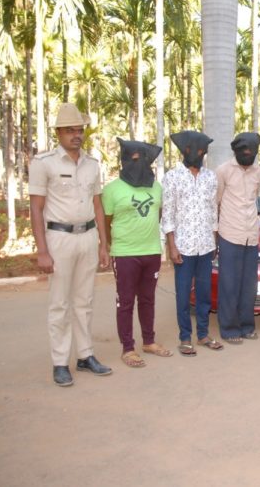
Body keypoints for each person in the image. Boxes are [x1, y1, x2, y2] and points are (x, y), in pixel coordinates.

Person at [29, 102, 112, 387]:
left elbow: (98, 206)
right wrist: (42, 250)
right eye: (70, 130)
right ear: (59, 133)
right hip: (59, 239)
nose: (77, 135)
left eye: (80, 130)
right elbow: (36, 209)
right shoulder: (44, 163)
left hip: (87, 237)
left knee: (84, 302)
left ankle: (85, 355)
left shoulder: (92, 165)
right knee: (60, 304)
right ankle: (60, 362)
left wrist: (103, 245)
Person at [102, 138, 171, 367]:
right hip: (124, 253)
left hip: (151, 251)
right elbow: (106, 220)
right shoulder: (112, 189)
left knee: (148, 299)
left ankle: (149, 342)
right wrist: (112, 246)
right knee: (126, 301)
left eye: (144, 159)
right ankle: (128, 348)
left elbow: (158, 215)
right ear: (124, 161)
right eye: (134, 159)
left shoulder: (156, 186)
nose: (139, 163)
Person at [162, 130, 223, 356]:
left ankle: (204, 334)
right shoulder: (172, 177)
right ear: (185, 151)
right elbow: (168, 213)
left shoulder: (210, 177)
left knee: (205, 292)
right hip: (183, 247)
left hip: (206, 244)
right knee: (183, 292)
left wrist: (215, 239)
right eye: (194, 150)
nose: (198, 154)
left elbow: (212, 211)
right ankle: (185, 337)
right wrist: (171, 245)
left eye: (202, 151)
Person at [215, 132, 260, 344]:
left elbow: (254, 199)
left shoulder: (259, 173)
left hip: (251, 235)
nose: (248, 154)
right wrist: (215, 234)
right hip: (229, 233)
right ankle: (229, 329)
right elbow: (215, 202)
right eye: (244, 151)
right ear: (236, 152)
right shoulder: (223, 171)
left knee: (248, 285)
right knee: (229, 284)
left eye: (252, 152)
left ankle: (247, 326)